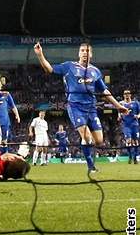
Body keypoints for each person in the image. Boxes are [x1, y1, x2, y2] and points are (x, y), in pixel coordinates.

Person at [34, 42, 128, 172]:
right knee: (87, 137)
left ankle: (85, 144)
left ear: (91, 54)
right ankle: (91, 167)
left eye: (87, 51)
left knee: (99, 140)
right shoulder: (69, 66)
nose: (85, 53)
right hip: (75, 107)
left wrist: (118, 106)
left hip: (91, 109)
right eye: (82, 50)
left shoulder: (95, 71)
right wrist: (40, 55)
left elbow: (104, 92)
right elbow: (49, 69)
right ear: (79, 53)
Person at [0, 77, 20, 153]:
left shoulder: (6, 94)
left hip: (5, 122)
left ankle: (5, 156)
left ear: (1, 85)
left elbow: (13, 106)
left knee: (4, 141)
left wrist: (17, 115)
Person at [118, 89, 140, 164]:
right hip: (126, 125)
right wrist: (119, 117)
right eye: (125, 93)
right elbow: (119, 113)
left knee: (136, 142)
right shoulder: (121, 103)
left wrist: (138, 116)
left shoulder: (136, 103)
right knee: (128, 141)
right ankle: (130, 156)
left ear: (130, 95)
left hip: (135, 125)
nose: (127, 95)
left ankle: (135, 158)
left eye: (128, 93)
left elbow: (139, 113)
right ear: (123, 95)